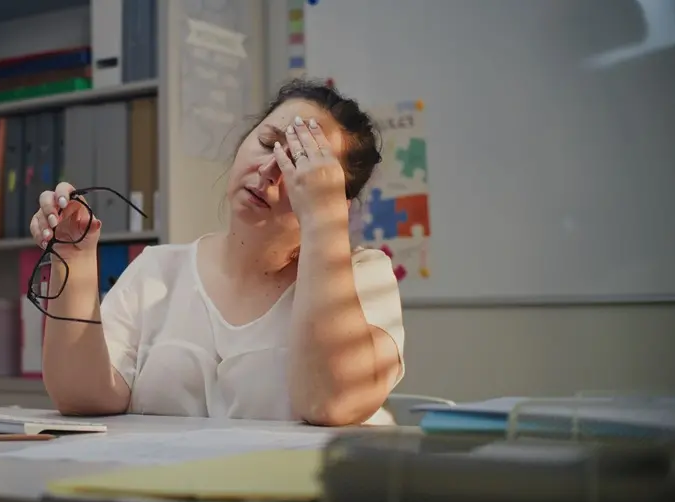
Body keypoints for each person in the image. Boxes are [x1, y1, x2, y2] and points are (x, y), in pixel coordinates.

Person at [29, 79, 404, 426]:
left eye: (300, 163)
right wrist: (73, 256)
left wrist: (324, 220)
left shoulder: (363, 277)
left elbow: (330, 403)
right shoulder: (158, 269)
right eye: (268, 143)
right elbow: (81, 397)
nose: (269, 170)